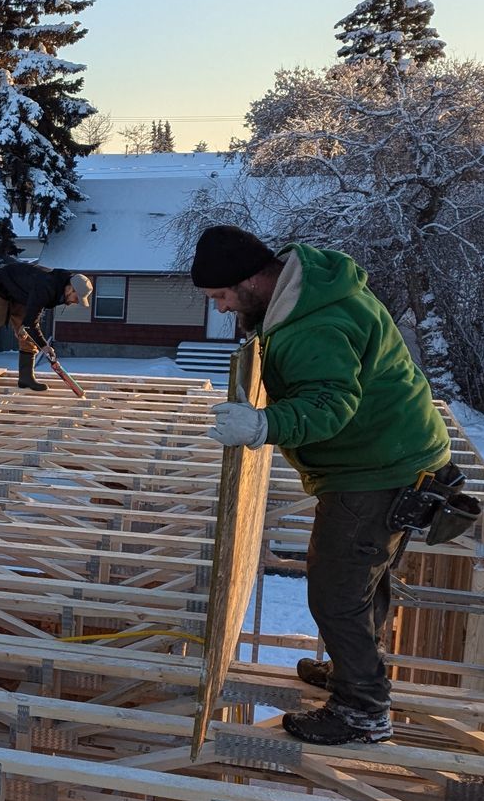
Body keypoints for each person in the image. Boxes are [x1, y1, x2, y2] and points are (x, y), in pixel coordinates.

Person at [193, 225, 452, 747]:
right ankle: (354, 674)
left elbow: (330, 406)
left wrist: (264, 426)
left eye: (221, 296)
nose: (220, 308)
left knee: (336, 592)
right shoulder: (306, 296)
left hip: (377, 470)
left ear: (251, 280)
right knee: (361, 581)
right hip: (393, 456)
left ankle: (362, 711)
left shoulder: (316, 324)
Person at [0, 264, 92, 391]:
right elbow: (31, 323)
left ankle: (26, 378)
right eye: (76, 298)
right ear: (70, 289)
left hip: (23, 296)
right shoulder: (47, 286)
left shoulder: (59, 287)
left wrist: (25, 328)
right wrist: (44, 345)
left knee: (28, 337)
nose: (75, 302)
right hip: (4, 289)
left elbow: (30, 320)